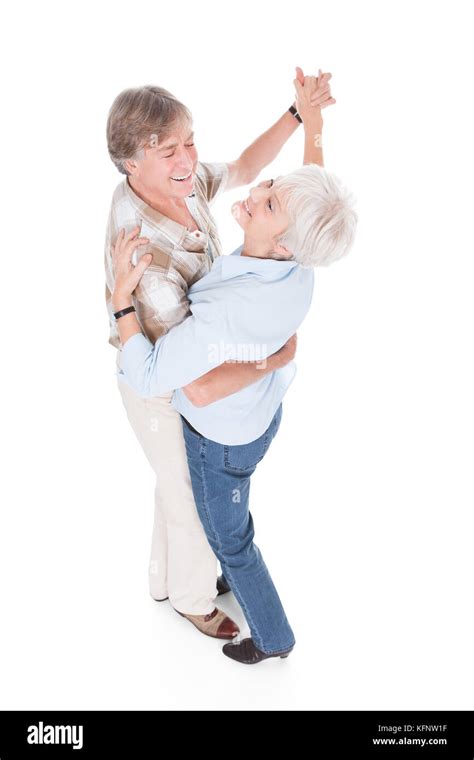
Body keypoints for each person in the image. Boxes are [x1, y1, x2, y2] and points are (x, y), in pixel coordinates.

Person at [110, 75, 357, 663]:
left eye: (188, 143)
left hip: (223, 430)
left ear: (290, 239)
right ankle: (173, 585)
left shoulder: (222, 307)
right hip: (234, 404)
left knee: (221, 529)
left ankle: (256, 630)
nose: (189, 161)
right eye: (168, 150)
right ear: (131, 164)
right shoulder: (294, 265)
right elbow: (304, 193)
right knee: (177, 491)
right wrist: (306, 120)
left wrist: (301, 117)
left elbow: (173, 378)